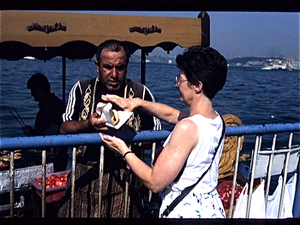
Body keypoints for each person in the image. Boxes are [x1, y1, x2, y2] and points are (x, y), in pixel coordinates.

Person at [100, 46, 228, 218]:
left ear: (197, 86)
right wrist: (138, 103)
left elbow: (154, 182)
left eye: (181, 80)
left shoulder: (187, 128)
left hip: (186, 211)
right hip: (210, 208)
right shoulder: (217, 120)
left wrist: (123, 150)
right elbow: (172, 114)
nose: (177, 84)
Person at [58, 39, 161, 218]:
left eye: (120, 67)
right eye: (108, 67)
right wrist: (88, 124)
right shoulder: (81, 89)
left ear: (127, 66)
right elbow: (64, 128)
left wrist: (127, 135)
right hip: (85, 176)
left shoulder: (141, 94)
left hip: (126, 180)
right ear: (97, 66)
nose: (114, 74)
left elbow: (155, 137)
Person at [22, 73, 68, 172]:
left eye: (32, 91)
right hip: (60, 156)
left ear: (38, 90)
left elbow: (47, 134)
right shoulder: (57, 104)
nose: (32, 94)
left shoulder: (47, 109)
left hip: (52, 158)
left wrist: (30, 133)